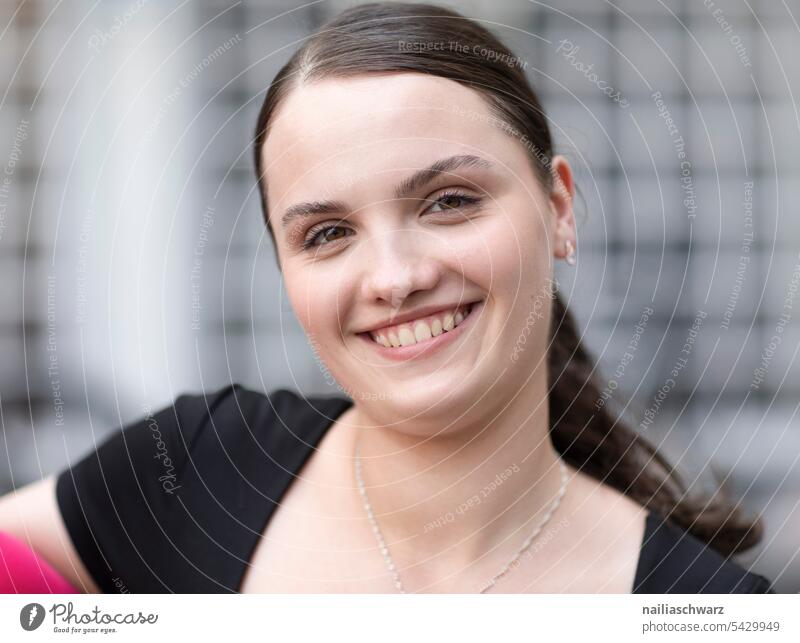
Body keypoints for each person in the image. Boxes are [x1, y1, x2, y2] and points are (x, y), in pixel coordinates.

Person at [0, 2, 774, 594]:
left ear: (559, 208)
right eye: (329, 233)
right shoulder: (196, 469)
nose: (394, 277)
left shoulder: (700, 603)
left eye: (448, 201)